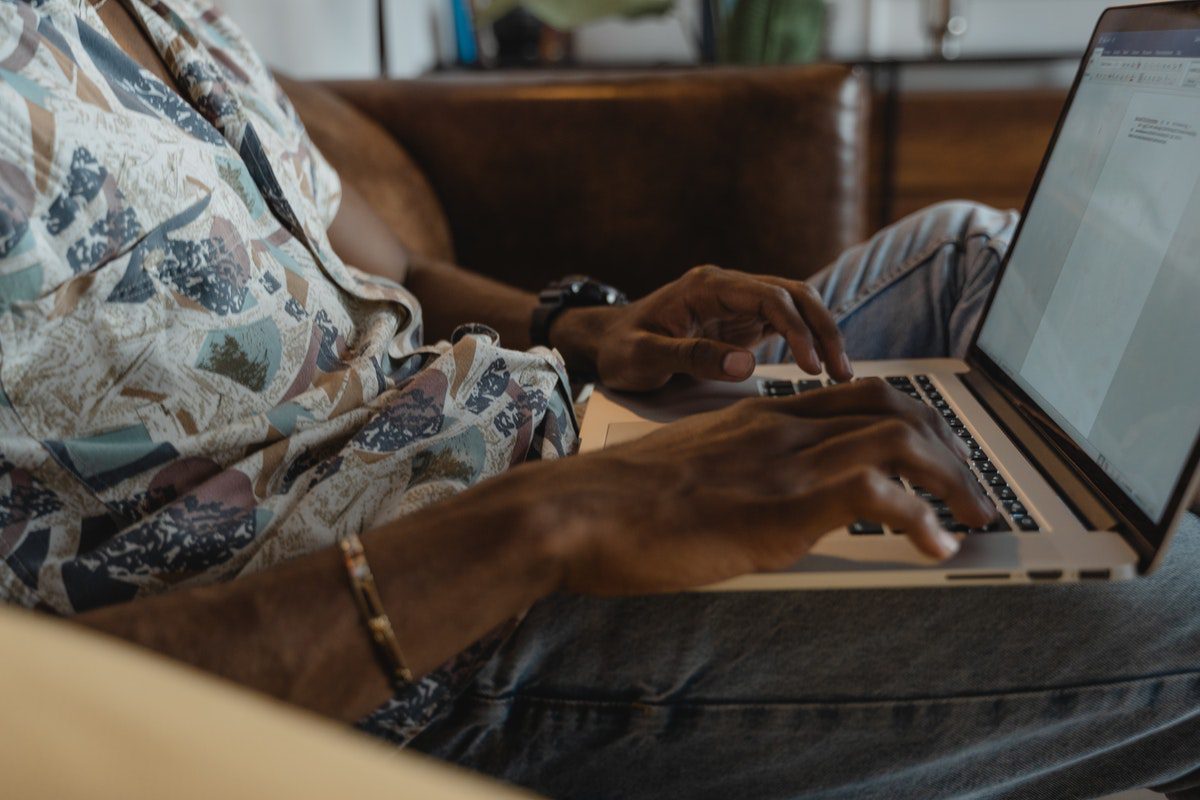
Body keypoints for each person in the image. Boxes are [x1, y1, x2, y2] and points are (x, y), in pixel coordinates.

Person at [0, 1, 1198, 798]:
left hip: (541, 431)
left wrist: (583, 329)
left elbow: (391, 271)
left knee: (965, 257)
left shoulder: (158, 12)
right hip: (431, 637)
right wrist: (545, 521)